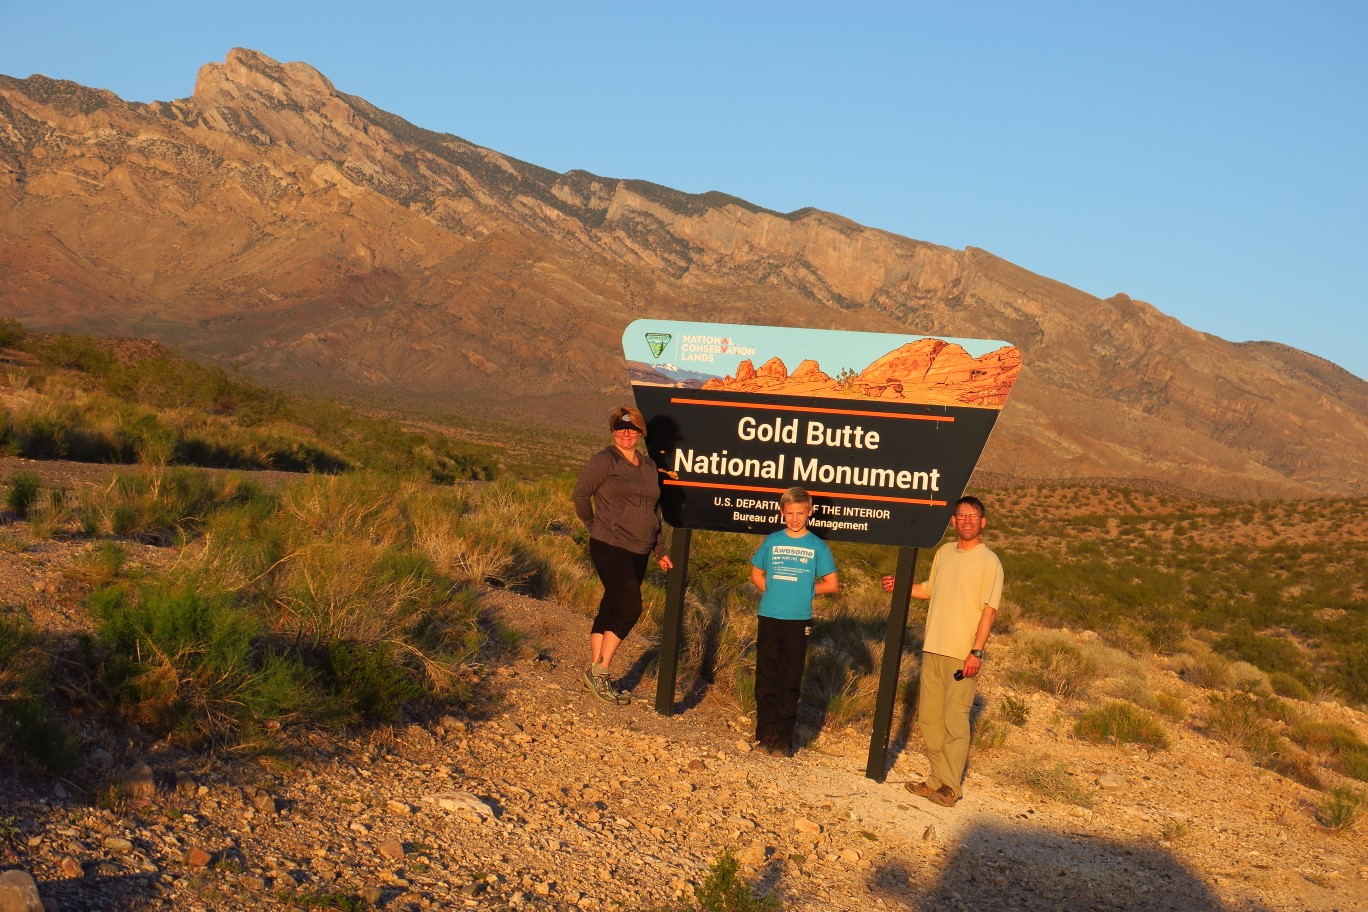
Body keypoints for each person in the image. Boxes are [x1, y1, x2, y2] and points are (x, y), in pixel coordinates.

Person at [882, 495, 1002, 807]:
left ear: (982, 522)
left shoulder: (989, 562)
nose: (966, 521)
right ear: (953, 521)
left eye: (973, 516)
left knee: (955, 720)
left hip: (962, 655)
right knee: (931, 720)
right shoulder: (944, 553)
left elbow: (989, 612)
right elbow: (928, 589)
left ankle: (950, 787)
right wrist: (901, 585)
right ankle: (935, 779)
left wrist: (976, 652)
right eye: (961, 515)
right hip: (933, 648)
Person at [572, 406, 672, 705]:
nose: (625, 433)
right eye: (620, 428)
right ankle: (601, 671)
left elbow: (653, 511)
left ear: (640, 432)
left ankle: (593, 673)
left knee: (612, 605)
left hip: (640, 548)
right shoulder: (604, 461)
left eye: (631, 429)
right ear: (612, 431)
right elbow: (580, 496)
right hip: (610, 544)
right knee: (630, 607)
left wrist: (660, 550)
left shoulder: (649, 466)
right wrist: (594, 526)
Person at [749, 487, 839, 758]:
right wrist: (776, 592)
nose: (795, 518)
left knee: (789, 678)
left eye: (801, 513)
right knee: (766, 676)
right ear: (782, 514)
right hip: (769, 616)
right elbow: (756, 573)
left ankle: (784, 738)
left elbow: (832, 584)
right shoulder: (773, 541)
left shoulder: (817, 546)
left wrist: (804, 592)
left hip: (798, 621)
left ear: (810, 512)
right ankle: (765, 734)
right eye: (790, 513)